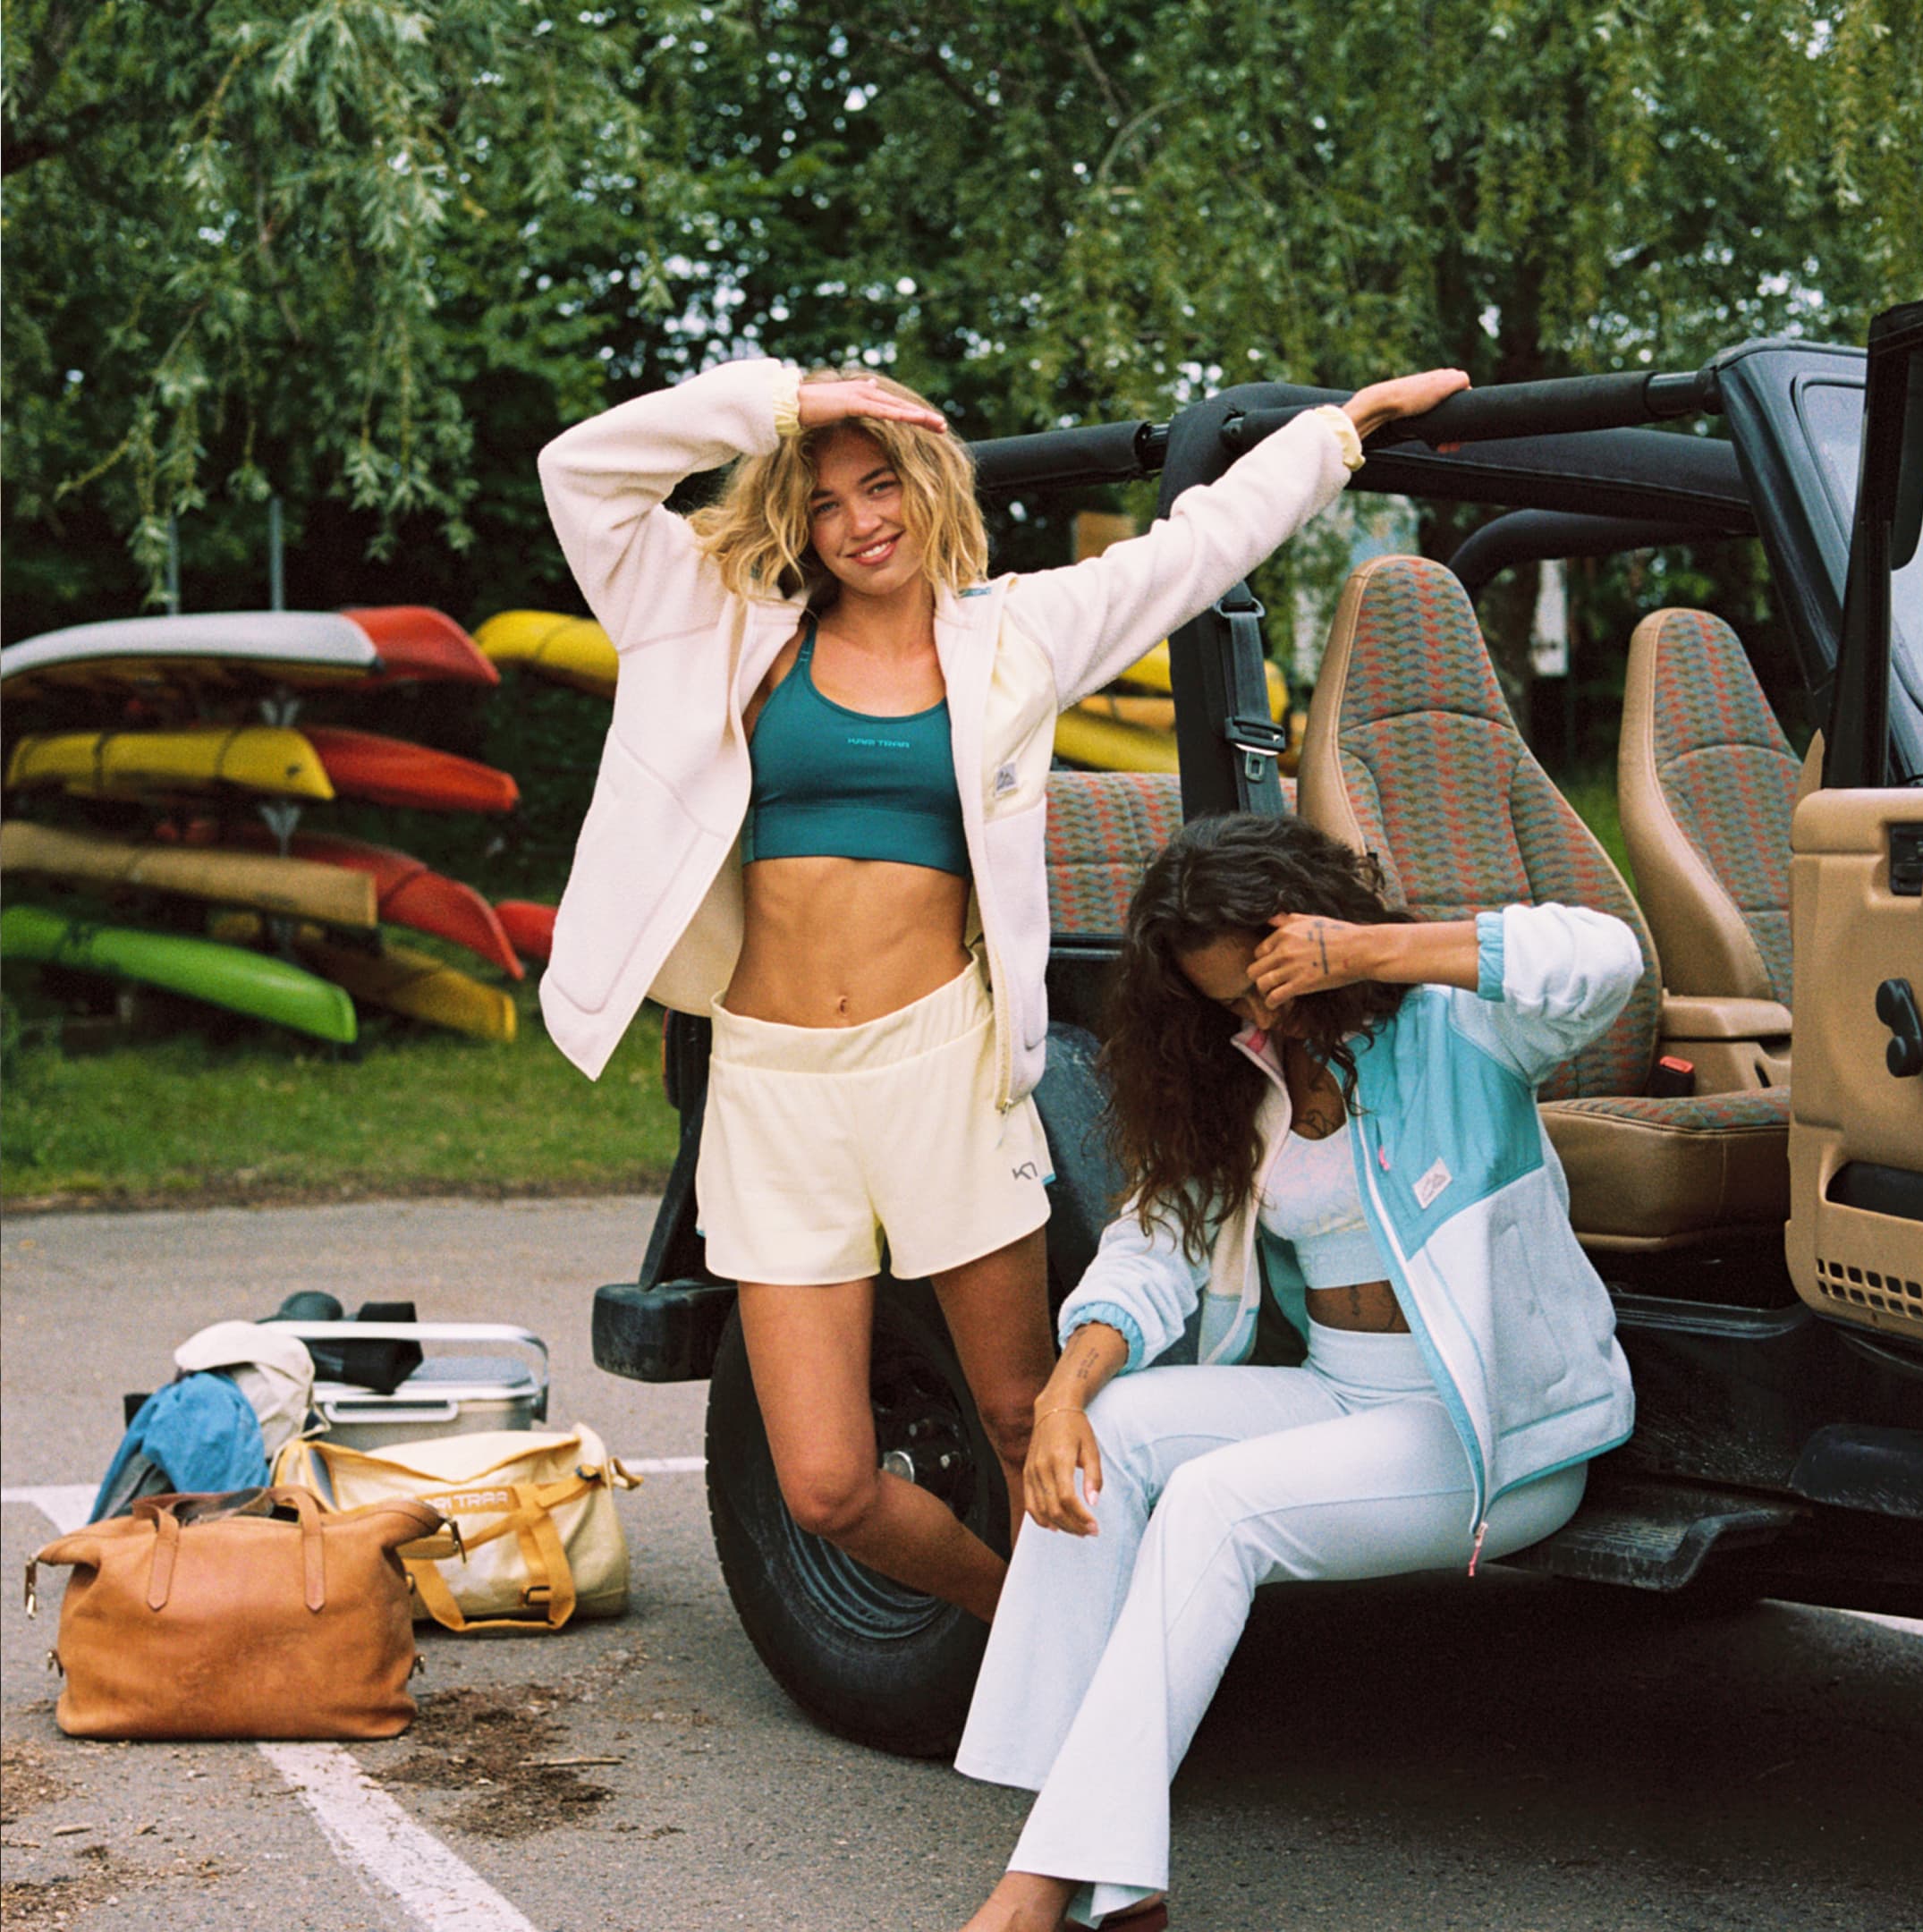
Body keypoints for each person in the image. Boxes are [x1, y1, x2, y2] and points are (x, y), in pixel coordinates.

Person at [535, 358, 1469, 1623]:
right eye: (824, 501)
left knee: (1027, 1414)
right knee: (823, 1485)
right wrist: (786, 398)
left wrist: (1339, 435)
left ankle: (1085, 1662)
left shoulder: (1013, 638)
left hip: (942, 1073)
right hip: (772, 1089)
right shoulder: (717, 628)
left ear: (926, 489)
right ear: (793, 521)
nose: (860, 521)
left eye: (880, 486)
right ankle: (1020, 1624)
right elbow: (578, 473)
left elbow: (1197, 551)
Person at [954, 812, 1641, 1930]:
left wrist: (1370, 951)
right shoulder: (1240, 1073)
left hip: (1485, 1433)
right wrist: (1064, 1394)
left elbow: (1607, 960)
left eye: (1267, 981)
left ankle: (1039, 1889)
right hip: (1342, 1392)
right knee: (1111, 1438)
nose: (1254, 1016)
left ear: (1309, 928)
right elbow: (1157, 1241)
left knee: (1217, 1508)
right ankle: (1108, 1873)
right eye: (1228, 1002)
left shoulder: (1459, 1028)